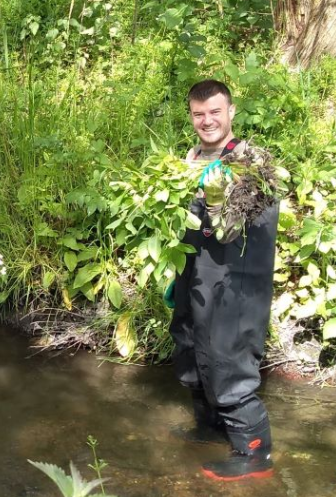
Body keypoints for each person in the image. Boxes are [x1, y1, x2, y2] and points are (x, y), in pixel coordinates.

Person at [169, 79, 278, 480]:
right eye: (199, 114)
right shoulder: (191, 156)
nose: (207, 120)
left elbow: (234, 231)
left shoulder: (253, 161)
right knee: (189, 343)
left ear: (231, 111)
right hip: (196, 275)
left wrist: (215, 197)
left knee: (225, 357)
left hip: (234, 281)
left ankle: (255, 457)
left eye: (215, 111)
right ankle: (210, 428)